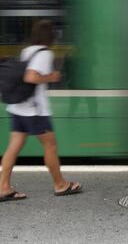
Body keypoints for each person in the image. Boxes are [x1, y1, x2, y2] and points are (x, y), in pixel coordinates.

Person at [0, 20, 82, 202]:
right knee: (50, 146)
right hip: (35, 110)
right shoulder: (45, 53)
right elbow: (31, 76)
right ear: (51, 36)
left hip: (17, 107)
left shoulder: (27, 51)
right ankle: (60, 185)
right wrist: (51, 76)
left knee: (13, 147)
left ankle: (3, 187)